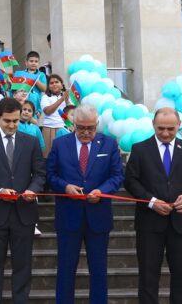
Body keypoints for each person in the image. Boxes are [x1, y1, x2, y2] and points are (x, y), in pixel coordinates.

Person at [125, 107, 182, 304]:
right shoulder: (139, 149)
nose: (165, 133)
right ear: (153, 125)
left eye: (171, 129)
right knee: (148, 278)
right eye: (160, 128)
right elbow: (130, 181)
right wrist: (151, 202)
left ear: (179, 125)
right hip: (149, 225)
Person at [46, 104, 124, 304]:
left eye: (91, 128)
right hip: (68, 218)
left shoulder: (109, 144)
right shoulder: (59, 144)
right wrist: (65, 187)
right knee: (65, 269)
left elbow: (117, 176)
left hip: (98, 217)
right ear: (73, 123)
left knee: (98, 270)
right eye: (81, 128)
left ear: (97, 124)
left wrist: (103, 191)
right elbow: (50, 175)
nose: (86, 132)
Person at [0, 97, 46, 304]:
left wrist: (33, 189)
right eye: (7, 121)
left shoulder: (31, 142)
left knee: (23, 267)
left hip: (24, 214)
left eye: (15, 121)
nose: (12, 125)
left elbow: (40, 174)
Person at [40, 74, 70, 157]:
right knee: (49, 155)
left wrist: (67, 100)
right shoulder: (45, 97)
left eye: (57, 82)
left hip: (64, 128)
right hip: (49, 128)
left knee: (64, 155)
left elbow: (69, 114)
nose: (54, 84)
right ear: (48, 86)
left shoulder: (67, 96)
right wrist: (62, 99)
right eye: (51, 83)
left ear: (62, 84)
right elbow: (48, 111)